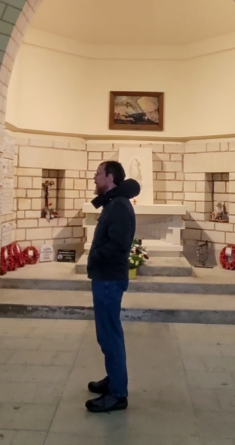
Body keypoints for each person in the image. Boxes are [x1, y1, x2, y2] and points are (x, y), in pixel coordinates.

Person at [85, 160, 140, 413]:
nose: (94, 178)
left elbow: (118, 245)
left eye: (98, 174)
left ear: (109, 177)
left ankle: (118, 393)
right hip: (105, 277)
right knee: (105, 335)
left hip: (108, 279)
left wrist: (95, 257)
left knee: (110, 335)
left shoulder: (118, 205)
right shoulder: (113, 202)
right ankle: (113, 379)